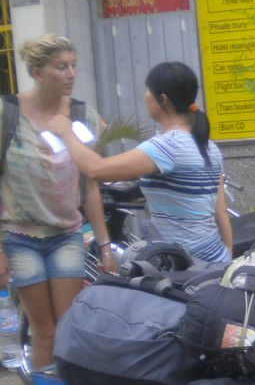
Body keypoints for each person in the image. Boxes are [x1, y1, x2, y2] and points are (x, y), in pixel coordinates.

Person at [1, 34, 116, 385]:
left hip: (68, 233)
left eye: (73, 65)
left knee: (71, 329)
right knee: (44, 330)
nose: (70, 74)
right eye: (61, 67)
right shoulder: (7, 114)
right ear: (37, 71)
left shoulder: (83, 116)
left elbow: (91, 186)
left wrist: (104, 244)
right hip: (19, 235)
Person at [50, 61, 232, 264]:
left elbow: (96, 170)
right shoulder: (208, 146)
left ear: (162, 100)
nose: (145, 96)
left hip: (184, 264)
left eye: (148, 90)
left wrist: (66, 132)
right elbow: (221, 214)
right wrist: (227, 260)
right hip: (215, 256)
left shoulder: (167, 147)